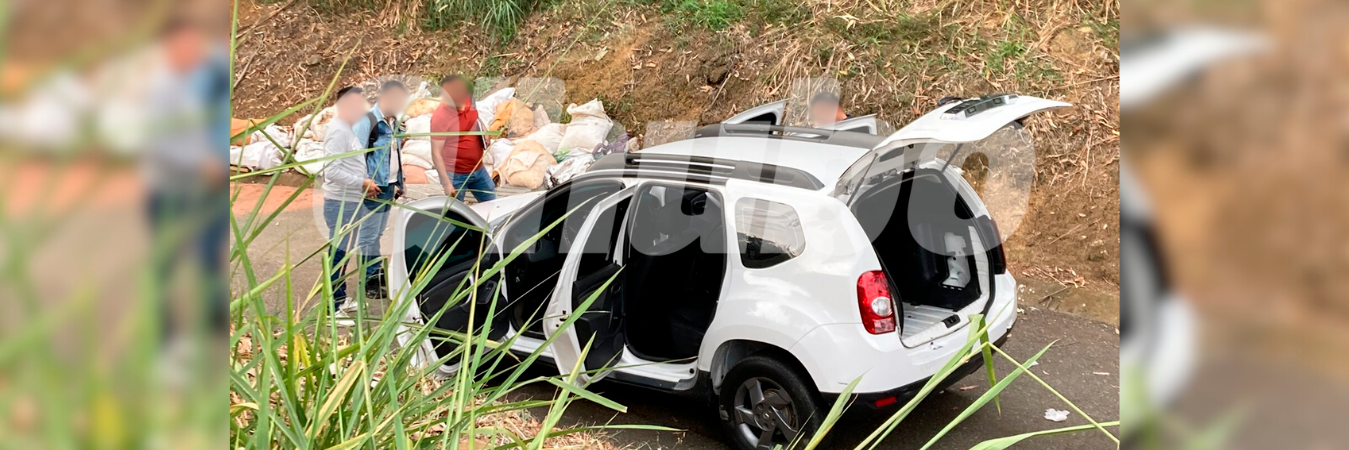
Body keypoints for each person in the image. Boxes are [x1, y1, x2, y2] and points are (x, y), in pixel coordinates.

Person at [322, 86, 381, 314]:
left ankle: (340, 297)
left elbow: (351, 166)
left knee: (344, 253)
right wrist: (362, 183)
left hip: (352, 201)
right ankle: (332, 307)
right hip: (340, 204)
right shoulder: (338, 131)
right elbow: (332, 170)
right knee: (338, 254)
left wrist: (364, 184)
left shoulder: (348, 130)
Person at [351, 80, 408, 298]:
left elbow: (394, 154)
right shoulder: (368, 121)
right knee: (368, 236)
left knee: (377, 234)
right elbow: (353, 156)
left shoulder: (392, 122)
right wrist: (364, 182)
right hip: (373, 187)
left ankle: (373, 272)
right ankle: (369, 282)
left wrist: (398, 182)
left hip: (387, 185)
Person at [429, 75, 496, 202]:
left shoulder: (469, 101)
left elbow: (475, 118)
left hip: (478, 169)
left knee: (493, 204)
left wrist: (484, 130)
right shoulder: (440, 117)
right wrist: (447, 184)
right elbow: (435, 153)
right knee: (455, 215)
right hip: (455, 175)